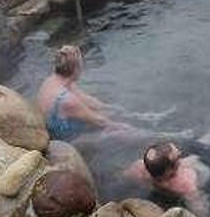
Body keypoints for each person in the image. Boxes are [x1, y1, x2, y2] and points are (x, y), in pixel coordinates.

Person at [124, 94, 210, 217]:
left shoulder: (139, 168)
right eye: (178, 156)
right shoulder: (184, 183)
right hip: (209, 160)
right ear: (171, 170)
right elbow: (202, 213)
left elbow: (122, 178)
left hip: (197, 156)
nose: (180, 155)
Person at [37, 45, 181, 143]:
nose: (83, 68)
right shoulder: (67, 101)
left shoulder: (55, 80)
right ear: (75, 69)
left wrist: (113, 108)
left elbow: (89, 100)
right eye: (82, 64)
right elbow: (100, 121)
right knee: (119, 132)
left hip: (68, 120)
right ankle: (166, 137)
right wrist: (122, 125)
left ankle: (148, 118)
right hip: (70, 140)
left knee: (109, 110)